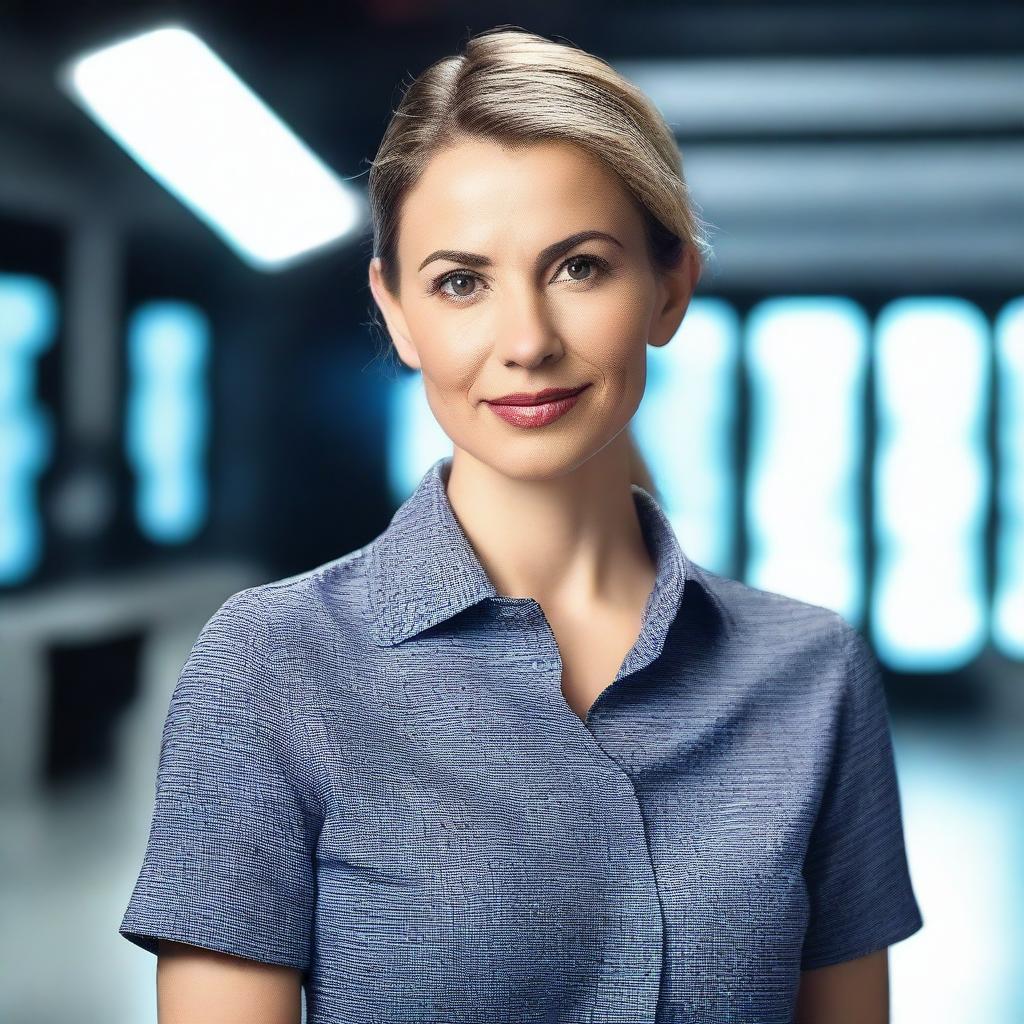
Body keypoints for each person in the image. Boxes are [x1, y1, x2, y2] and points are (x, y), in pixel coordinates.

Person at [118, 25, 924, 1024]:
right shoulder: (271, 663)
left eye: (579, 268)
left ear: (668, 287)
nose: (528, 342)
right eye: (461, 282)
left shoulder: (813, 674)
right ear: (399, 313)